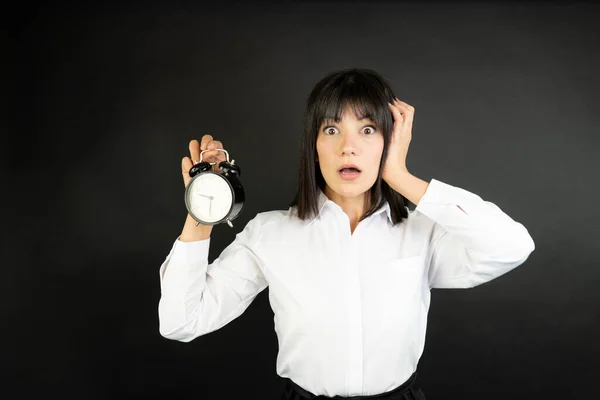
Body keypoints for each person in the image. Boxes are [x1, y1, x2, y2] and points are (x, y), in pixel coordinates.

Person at [157, 68, 535, 400]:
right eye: (332, 129)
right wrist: (203, 209)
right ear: (314, 145)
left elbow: (512, 246)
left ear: (389, 142)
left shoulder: (424, 233)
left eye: (368, 129)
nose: (348, 147)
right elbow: (181, 322)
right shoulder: (270, 234)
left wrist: (400, 177)